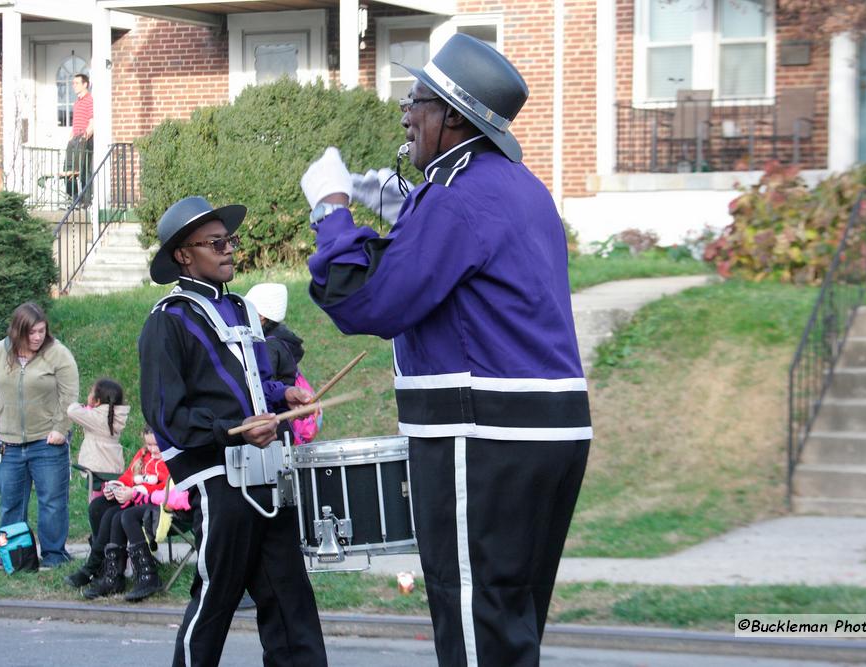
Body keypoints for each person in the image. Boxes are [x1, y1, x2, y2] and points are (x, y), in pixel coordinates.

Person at [302, 34, 591, 667]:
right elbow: (458, 270)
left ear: (453, 116)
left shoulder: (457, 196)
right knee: (509, 625)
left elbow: (367, 302)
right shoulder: (517, 185)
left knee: (472, 623)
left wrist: (332, 211)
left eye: (418, 101)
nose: (405, 114)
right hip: (547, 433)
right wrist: (406, 206)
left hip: (484, 431)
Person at [138, 196, 327, 667]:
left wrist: (284, 395)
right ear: (184, 254)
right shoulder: (167, 321)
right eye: (216, 243)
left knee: (291, 606)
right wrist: (233, 431)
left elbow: (254, 382)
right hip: (220, 484)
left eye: (231, 241)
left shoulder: (243, 310)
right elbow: (167, 415)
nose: (229, 250)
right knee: (213, 607)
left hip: (268, 474)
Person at [0, 302, 80, 569]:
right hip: (8, 445)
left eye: (41, 331)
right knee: (10, 503)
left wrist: (60, 428)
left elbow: (69, 395)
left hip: (47, 442)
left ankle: (54, 555)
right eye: (31, 332)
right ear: (17, 331)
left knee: (52, 502)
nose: (37, 337)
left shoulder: (58, 354)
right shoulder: (0, 352)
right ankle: (11, 554)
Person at [67, 425, 169, 602]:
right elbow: (128, 477)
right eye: (148, 445)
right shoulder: (143, 454)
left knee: (113, 516)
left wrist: (136, 491)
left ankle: (99, 569)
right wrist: (115, 487)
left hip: (152, 501)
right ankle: (106, 567)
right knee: (98, 505)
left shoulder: (169, 459)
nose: (152, 450)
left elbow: (165, 487)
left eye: (156, 445)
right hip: (132, 496)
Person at [244, 282, 320, 445]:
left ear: (261, 316)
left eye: (246, 309)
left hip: (276, 428)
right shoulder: (281, 338)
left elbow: (264, 388)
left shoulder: (268, 346)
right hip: (283, 425)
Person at [67, 377, 129, 484]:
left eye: (91, 392)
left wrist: (82, 407)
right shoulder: (116, 417)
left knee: (96, 498)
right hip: (114, 467)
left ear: (97, 401)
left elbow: (71, 411)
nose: (89, 394)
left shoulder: (95, 417)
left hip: (97, 470)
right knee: (109, 497)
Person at [64, 73, 93, 206]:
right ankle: (73, 198)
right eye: (73, 83)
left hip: (84, 139)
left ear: (85, 84)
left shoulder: (90, 100)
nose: (74, 86)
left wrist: (85, 136)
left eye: (76, 83)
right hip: (74, 138)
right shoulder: (76, 103)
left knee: (83, 170)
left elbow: (93, 121)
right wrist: (71, 137)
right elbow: (76, 122)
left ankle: (86, 201)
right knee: (69, 168)